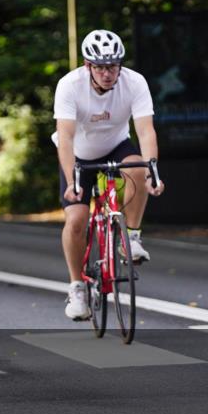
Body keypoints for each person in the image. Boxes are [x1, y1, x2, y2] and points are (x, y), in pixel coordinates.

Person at [53, 29, 166, 321]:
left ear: (120, 65)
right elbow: (65, 138)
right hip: (78, 154)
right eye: (100, 67)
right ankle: (77, 287)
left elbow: (145, 131)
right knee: (76, 220)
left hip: (116, 146)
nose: (107, 73)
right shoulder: (69, 85)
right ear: (88, 66)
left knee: (138, 168)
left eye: (113, 67)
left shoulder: (134, 82)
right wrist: (72, 181)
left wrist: (152, 171)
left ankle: (132, 237)